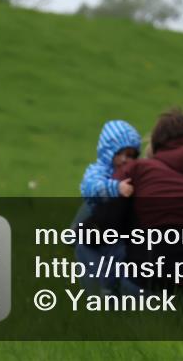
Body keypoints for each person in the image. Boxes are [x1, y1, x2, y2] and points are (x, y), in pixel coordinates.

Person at [110, 108, 183, 295]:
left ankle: (101, 302)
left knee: (92, 231)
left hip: (150, 286)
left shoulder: (139, 170)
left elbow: (105, 202)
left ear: (157, 141)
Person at [73, 119, 141, 293]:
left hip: (114, 228)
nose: (127, 160)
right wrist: (116, 187)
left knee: (117, 256)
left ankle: (112, 290)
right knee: (91, 260)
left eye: (132, 155)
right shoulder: (98, 171)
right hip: (95, 225)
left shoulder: (128, 174)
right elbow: (90, 188)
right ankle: (96, 294)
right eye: (123, 154)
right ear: (109, 151)